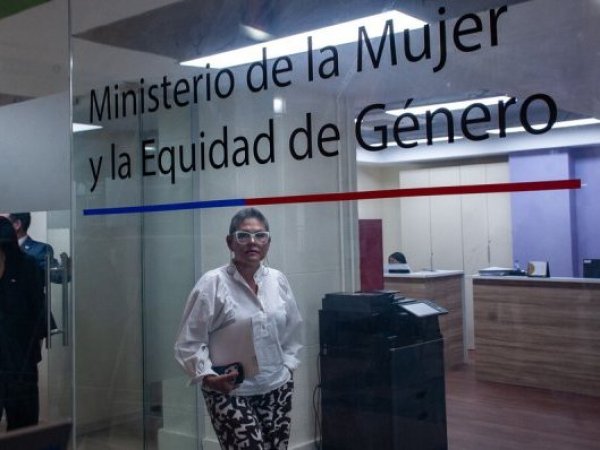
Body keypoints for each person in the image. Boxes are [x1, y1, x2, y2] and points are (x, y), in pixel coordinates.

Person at [174, 207, 303, 450]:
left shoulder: (277, 280)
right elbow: (189, 342)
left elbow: (293, 330)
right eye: (243, 235)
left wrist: (287, 368)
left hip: (276, 387)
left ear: (268, 242)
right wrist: (209, 377)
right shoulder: (212, 283)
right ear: (230, 242)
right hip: (230, 391)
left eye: (260, 235)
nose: (252, 242)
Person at [0, 216, 46, 430]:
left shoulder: (27, 267)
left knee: (23, 427)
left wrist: (31, 356)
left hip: (20, 363)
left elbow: (38, 314)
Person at [0, 213, 65, 284]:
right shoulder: (3, 249)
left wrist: (68, 268)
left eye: (4, 222)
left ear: (17, 224)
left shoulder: (40, 249)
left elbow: (56, 276)